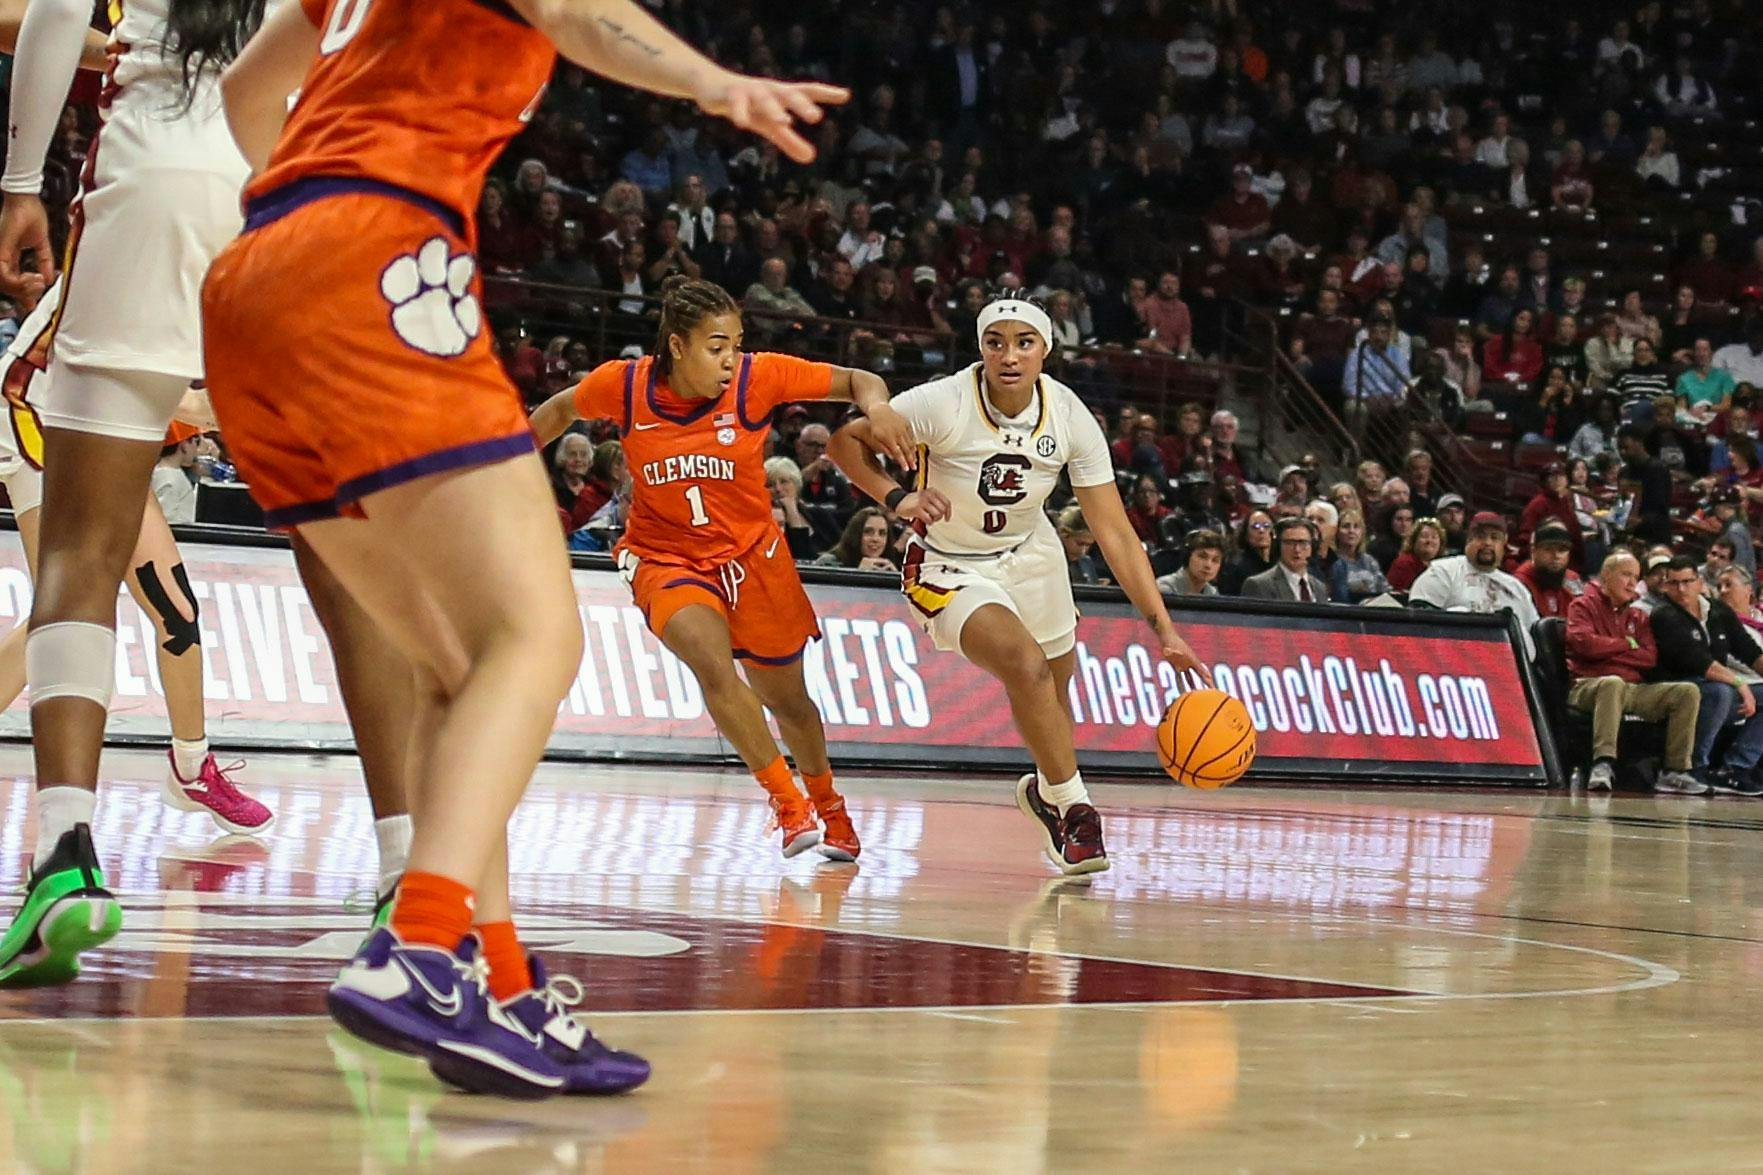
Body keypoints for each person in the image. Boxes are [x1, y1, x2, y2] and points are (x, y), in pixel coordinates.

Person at [204, 0, 849, 1096]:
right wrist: (708, 80)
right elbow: (571, 10)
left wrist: (310, 233)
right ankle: (421, 944)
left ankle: (488, 981)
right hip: (378, 259)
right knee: (535, 637)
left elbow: (243, 97)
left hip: (249, 282)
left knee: (462, 672)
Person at [0, 0, 281, 988]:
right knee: (127, 581)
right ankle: (407, 887)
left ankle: (76, 839)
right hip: (31, 413)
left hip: (146, 184)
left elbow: (47, 19)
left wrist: (19, 179)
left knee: (104, 584)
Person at [828, 295, 1206, 876]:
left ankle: (1045, 795)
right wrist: (898, 499)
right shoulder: (941, 402)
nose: (1009, 355)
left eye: (1024, 342)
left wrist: (1165, 630)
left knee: (1054, 696)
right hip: (948, 562)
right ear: (980, 349)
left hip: (1032, 554)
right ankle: (1079, 811)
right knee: (1024, 666)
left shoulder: (1069, 413)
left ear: (1045, 350)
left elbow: (1114, 532)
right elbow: (844, 442)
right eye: (995, 342)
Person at [534, 276, 901, 862]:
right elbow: (555, 412)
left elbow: (860, 380)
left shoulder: (759, 377)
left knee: (789, 702)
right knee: (710, 665)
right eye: (715, 346)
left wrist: (877, 407)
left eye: (735, 344)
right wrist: (504, 463)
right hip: (663, 554)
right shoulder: (624, 387)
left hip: (752, 557)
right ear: (676, 346)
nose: (731, 359)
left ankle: (829, 805)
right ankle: (786, 801)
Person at [1567, 552, 1702, 793]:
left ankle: (1674, 771)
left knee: (1686, 691)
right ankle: (1603, 764)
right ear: (1606, 576)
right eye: (1626, 575)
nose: (1632, 583)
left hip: (1633, 688)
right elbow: (1584, 645)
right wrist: (1626, 644)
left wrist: (1606, 648)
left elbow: (1649, 657)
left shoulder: (1638, 615)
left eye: (1636, 577)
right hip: (1587, 686)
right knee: (1612, 683)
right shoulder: (1582, 605)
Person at [1649, 556, 1763, 794]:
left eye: (1687, 581)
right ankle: (1688, 769)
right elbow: (1700, 663)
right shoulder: (1663, 615)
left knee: (1726, 691)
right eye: (1674, 583)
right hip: (1679, 689)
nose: (1681, 589)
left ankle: (1735, 768)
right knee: (1719, 692)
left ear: (1700, 582)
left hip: (1718, 689)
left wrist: (1743, 685)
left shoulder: (1718, 610)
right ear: (1666, 585)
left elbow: (1749, 652)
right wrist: (1742, 686)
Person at [1408, 513, 1541, 639]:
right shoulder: (1442, 571)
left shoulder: (1517, 588)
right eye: (1480, 536)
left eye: (1495, 537)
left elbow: (1535, 636)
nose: (1487, 543)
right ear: (1469, 539)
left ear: (1504, 543)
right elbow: (1419, 625)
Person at [1241, 517, 1329, 603]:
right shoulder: (1259, 585)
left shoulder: (1320, 588)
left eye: (1303, 543)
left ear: (1312, 547)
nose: (1297, 549)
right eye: (1289, 543)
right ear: (1278, 546)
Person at [1514, 522, 1584, 618]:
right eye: (1548, 549)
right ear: (1533, 551)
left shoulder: (1572, 579)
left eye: (1562, 550)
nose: (1556, 555)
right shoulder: (1520, 583)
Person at [1331, 510, 1389, 603]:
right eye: (1346, 526)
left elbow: (1384, 589)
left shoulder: (1369, 561)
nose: (1351, 531)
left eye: (1356, 527)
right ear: (1337, 531)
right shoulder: (1332, 560)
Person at [815, 505, 897, 570]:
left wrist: (896, 580)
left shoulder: (887, 566)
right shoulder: (827, 563)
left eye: (882, 533)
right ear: (855, 534)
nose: (876, 539)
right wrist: (859, 574)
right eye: (868, 532)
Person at [1156, 529, 1223, 598]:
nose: (1208, 565)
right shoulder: (1164, 587)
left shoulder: (1212, 593)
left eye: (1215, 560)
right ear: (1187, 557)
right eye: (1202, 557)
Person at [1219, 510, 1274, 594]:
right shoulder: (1236, 567)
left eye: (1266, 526)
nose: (1261, 530)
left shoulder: (1280, 562)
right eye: (1255, 526)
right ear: (1246, 533)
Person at [1386, 517, 1445, 593]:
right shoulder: (1404, 563)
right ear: (1413, 541)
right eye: (1424, 536)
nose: (1429, 541)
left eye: (1434, 537)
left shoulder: (1443, 565)